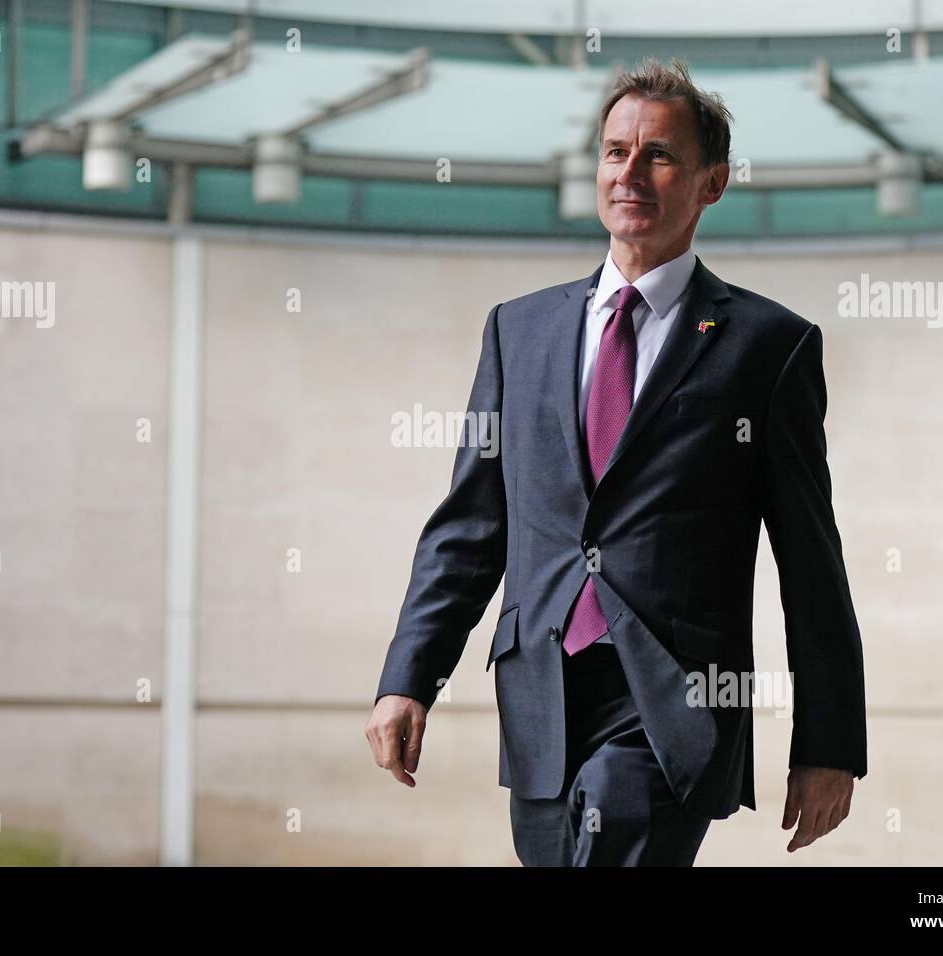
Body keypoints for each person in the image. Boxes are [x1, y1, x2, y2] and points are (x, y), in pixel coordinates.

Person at [366, 57, 866, 866]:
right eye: (614, 152)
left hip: (673, 703)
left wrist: (829, 741)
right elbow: (470, 524)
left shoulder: (767, 347)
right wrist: (409, 676)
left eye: (659, 155)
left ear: (712, 184)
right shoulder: (517, 332)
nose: (629, 172)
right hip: (540, 696)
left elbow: (812, 560)